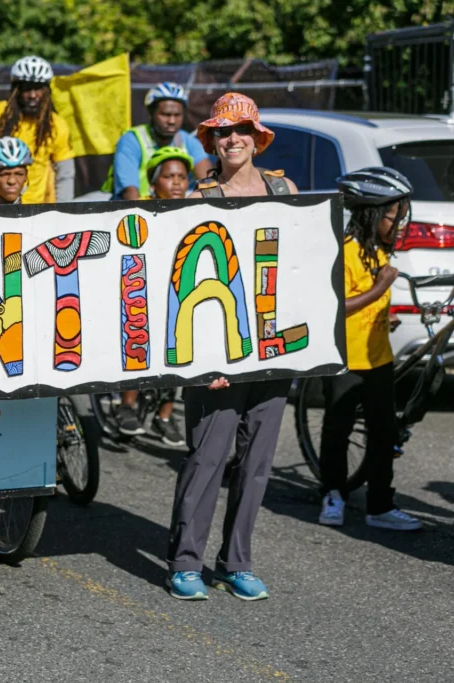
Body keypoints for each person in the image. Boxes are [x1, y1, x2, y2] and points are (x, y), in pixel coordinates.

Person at [165, 93, 298, 602]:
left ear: (257, 137)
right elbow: (179, 288)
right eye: (223, 132)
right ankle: (185, 562)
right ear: (212, 141)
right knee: (207, 458)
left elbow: (300, 269)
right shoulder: (197, 199)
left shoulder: (286, 190)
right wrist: (201, 362)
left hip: (272, 352)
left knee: (258, 462)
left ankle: (236, 562)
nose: (232, 138)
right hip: (214, 358)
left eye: (242, 129)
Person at [318, 167, 422, 531]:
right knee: (338, 429)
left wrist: (384, 314)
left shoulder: (379, 252)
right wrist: (379, 290)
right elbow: (335, 305)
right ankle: (332, 494)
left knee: (384, 432)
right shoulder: (344, 252)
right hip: (346, 359)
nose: (400, 224)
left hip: (378, 357)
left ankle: (380, 504)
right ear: (372, 214)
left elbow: (369, 303)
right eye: (394, 216)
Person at [114, 147, 195, 446]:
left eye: (182, 177)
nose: (177, 183)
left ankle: (165, 415)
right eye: (169, 176)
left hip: (175, 292)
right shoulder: (138, 212)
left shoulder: (192, 212)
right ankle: (127, 405)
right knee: (138, 334)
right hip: (139, 291)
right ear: (153, 183)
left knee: (180, 345)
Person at [0, 56, 75, 205]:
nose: (32, 95)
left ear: (47, 91)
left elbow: (65, 173)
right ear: (16, 90)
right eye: (27, 88)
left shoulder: (56, 124)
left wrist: (64, 211)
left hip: (34, 210)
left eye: (38, 88)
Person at [106, 82, 212, 200]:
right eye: (166, 114)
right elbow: (129, 193)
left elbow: (209, 185)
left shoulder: (189, 142)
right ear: (151, 113)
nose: (172, 121)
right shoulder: (132, 140)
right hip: (134, 211)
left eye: (177, 115)